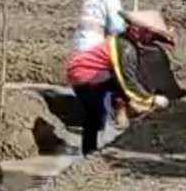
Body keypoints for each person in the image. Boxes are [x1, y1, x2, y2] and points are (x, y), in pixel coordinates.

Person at [66, 9, 173, 155]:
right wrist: (151, 99)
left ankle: (121, 120)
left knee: (121, 96)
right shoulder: (125, 48)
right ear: (141, 32)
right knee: (95, 114)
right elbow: (127, 80)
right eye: (152, 36)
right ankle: (89, 152)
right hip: (85, 75)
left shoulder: (127, 42)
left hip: (101, 74)